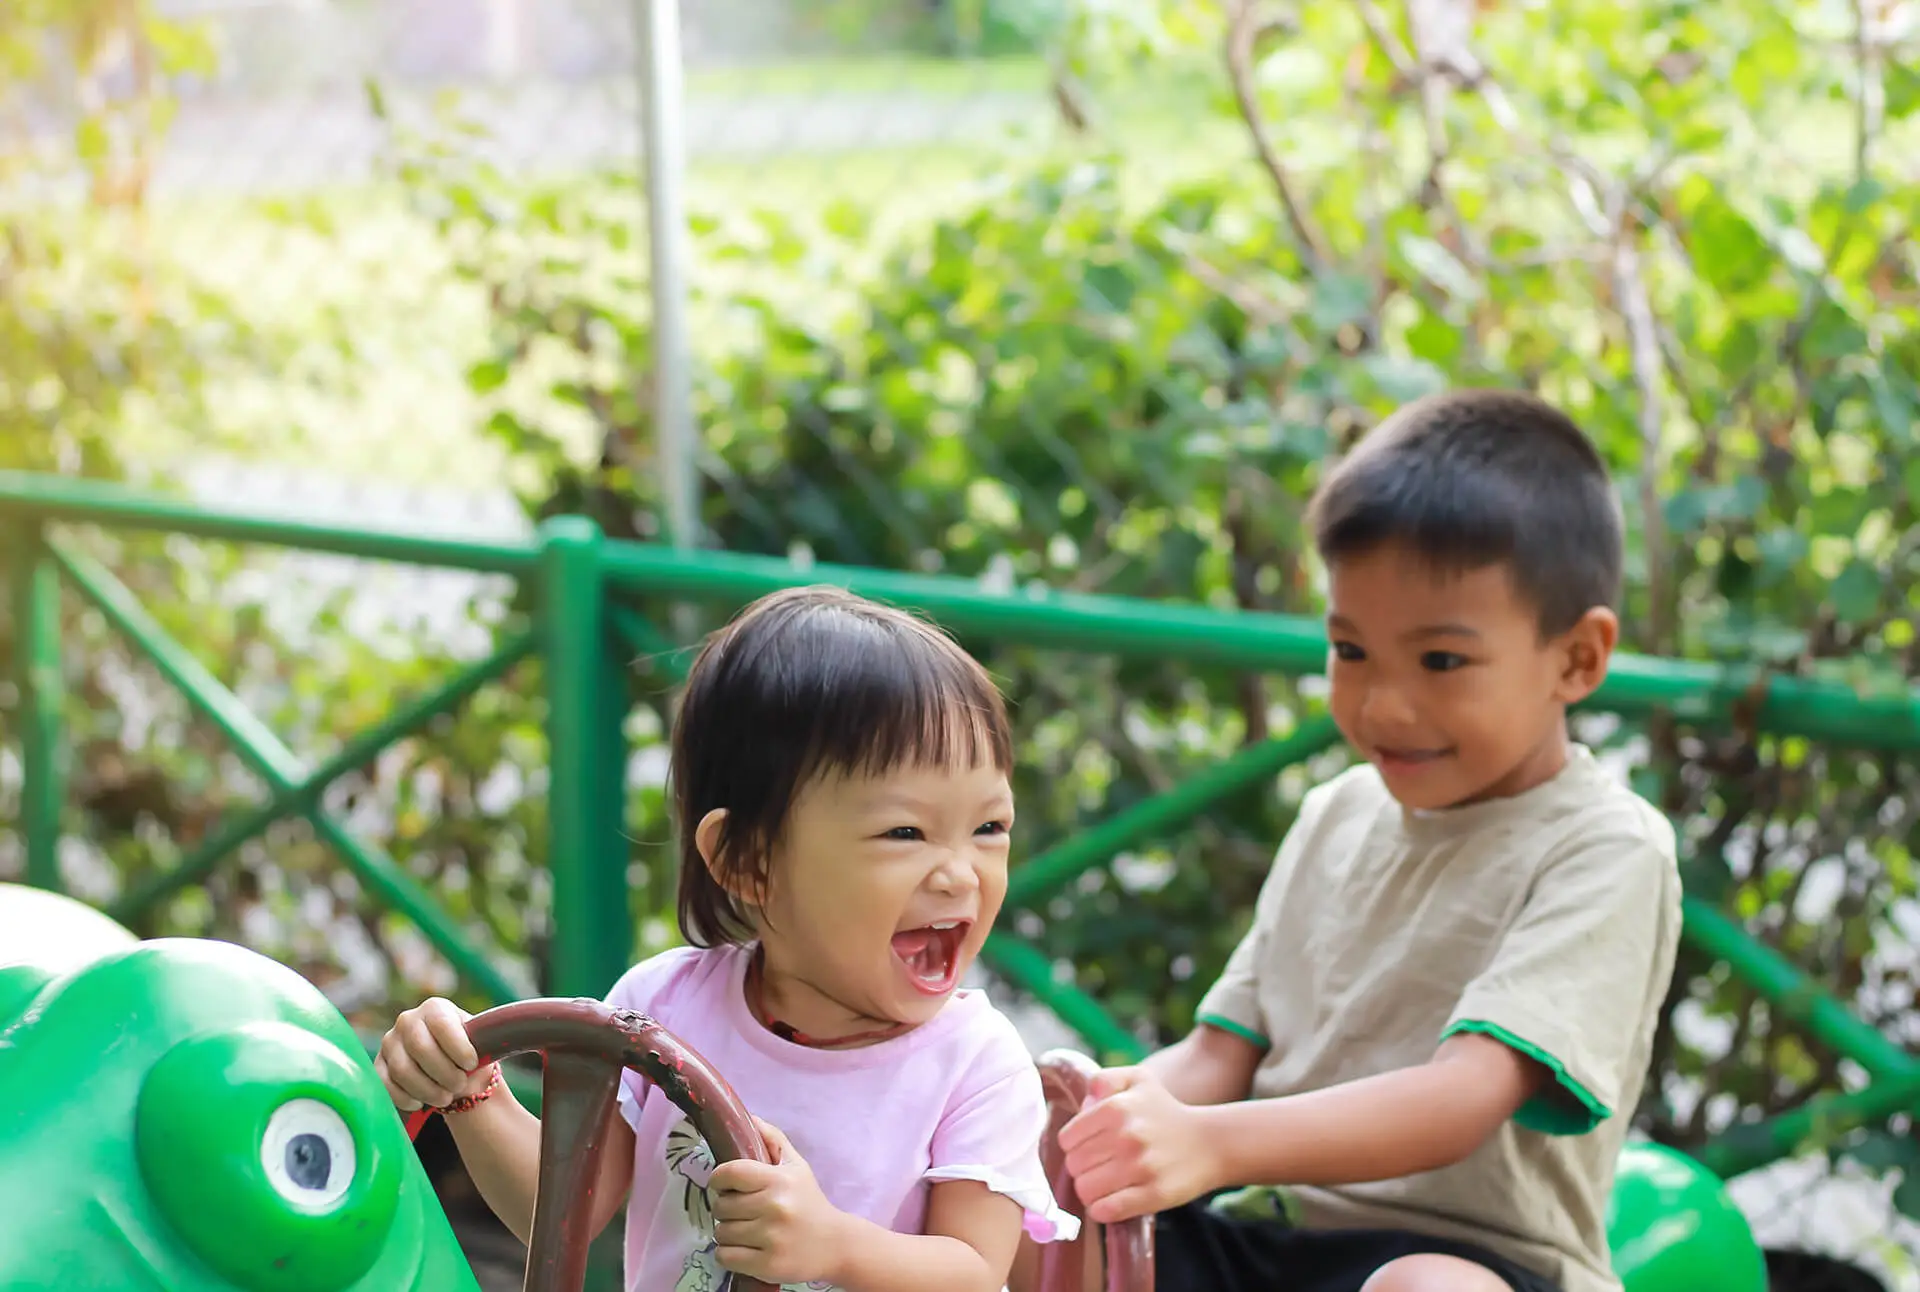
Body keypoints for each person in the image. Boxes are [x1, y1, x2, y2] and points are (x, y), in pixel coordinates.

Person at [1025, 390, 1683, 1292]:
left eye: (1441, 661)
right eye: (1350, 650)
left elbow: (1460, 1099)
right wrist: (1089, 1115)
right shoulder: (1337, 812)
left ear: (1576, 659)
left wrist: (1211, 1145)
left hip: (1470, 1262)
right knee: (1023, 1211)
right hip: (1266, 1233)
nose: (1382, 705)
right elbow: (1221, 1057)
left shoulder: (1606, 848)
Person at [377, 585, 1079, 1292]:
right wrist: (471, 1092)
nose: (961, 875)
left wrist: (834, 1247)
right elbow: (560, 1211)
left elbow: (975, 1271)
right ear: (748, 860)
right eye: (905, 832)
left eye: (989, 828)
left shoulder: (975, 1064)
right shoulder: (663, 1008)